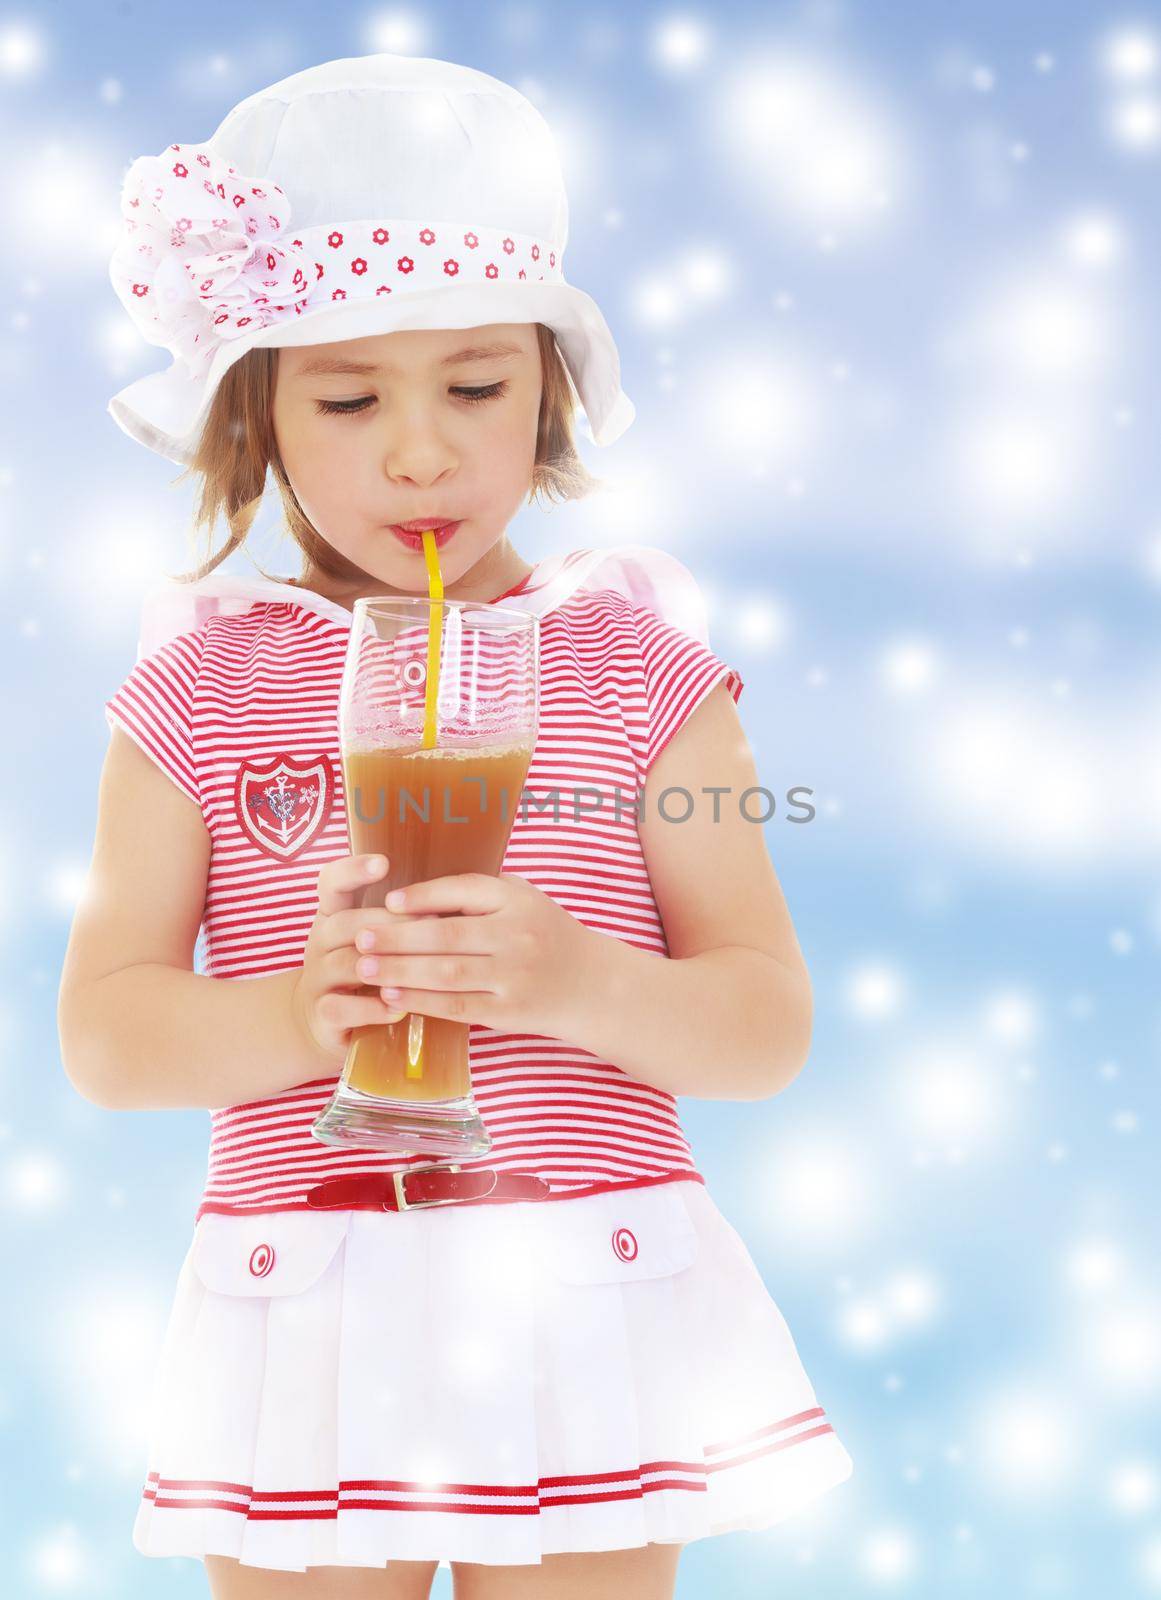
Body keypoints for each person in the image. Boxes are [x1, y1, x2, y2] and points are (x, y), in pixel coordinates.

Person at [58, 52, 855, 1600]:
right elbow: (108, 1036)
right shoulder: (198, 685)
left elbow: (763, 1025)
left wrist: (585, 988)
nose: (418, 451)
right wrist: (298, 1012)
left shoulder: (639, 669)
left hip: (587, 1290)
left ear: (547, 395)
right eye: (349, 399)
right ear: (256, 418)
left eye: (475, 388)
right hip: (312, 1298)